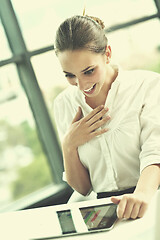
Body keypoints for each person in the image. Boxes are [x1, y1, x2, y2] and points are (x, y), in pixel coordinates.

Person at [53, 14, 160, 220]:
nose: (82, 85)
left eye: (89, 71)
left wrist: (142, 195)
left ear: (107, 54)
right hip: (102, 212)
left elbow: (155, 153)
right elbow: (83, 188)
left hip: (150, 197)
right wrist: (69, 145)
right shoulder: (64, 104)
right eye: (70, 75)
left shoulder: (147, 85)